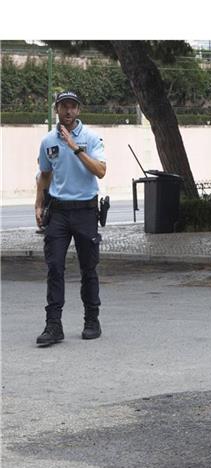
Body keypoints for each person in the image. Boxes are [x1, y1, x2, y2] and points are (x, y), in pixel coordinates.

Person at [35, 91, 107, 347]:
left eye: (72, 107)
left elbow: (100, 171)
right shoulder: (47, 141)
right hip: (59, 212)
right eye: (63, 106)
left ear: (78, 110)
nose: (68, 111)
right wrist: (39, 204)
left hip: (86, 211)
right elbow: (44, 174)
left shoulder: (90, 138)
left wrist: (75, 148)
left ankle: (92, 320)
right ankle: (53, 325)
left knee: (89, 267)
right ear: (57, 109)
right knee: (55, 267)